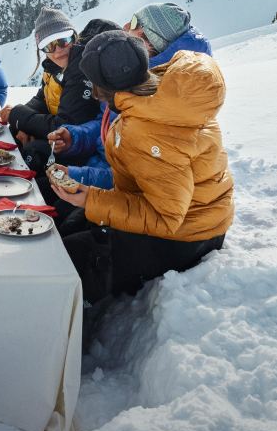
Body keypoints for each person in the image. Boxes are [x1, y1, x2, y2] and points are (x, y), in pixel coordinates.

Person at [52, 32, 233, 303]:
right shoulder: (157, 98)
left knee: (66, 261)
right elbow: (145, 176)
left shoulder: (149, 129)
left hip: (192, 234)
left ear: (105, 86)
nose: (93, 91)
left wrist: (92, 198)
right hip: (188, 211)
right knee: (69, 226)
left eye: (94, 82)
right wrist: (90, 194)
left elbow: (166, 217)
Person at [48, 3, 212, 191]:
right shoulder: (132, 72)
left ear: (149, 41)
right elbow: (108, 124)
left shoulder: (162, 95)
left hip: (125, 193)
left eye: (134, 23)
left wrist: (78, 175)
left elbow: (135, 180)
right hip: (102, 169)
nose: (125, 26)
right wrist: (74, 137)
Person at [0, 7, 100, 171]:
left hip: (82, 150)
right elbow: (41, 100)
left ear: (74, 37)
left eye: (63, 40)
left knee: (32, 154)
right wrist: (20, 124)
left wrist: (19, 115)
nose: (58, 50)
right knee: (14, 136)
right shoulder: (54, 68)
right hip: (61, 140)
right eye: (49, 46)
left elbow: (65, 125)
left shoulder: (82, 70)